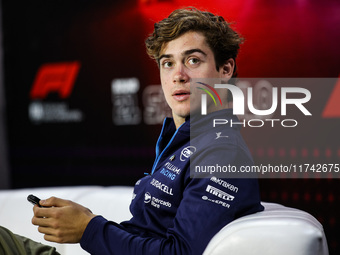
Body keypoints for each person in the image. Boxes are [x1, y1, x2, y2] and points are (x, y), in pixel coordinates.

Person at [0, 7, 263, 255]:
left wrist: (88, 229)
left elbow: (179, 252)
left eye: (193, 60)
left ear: (225, 70)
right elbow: (150, 233)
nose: (178, 75)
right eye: (167, 63)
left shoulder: (222, 153)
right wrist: (87, 221)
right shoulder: (184, 141)